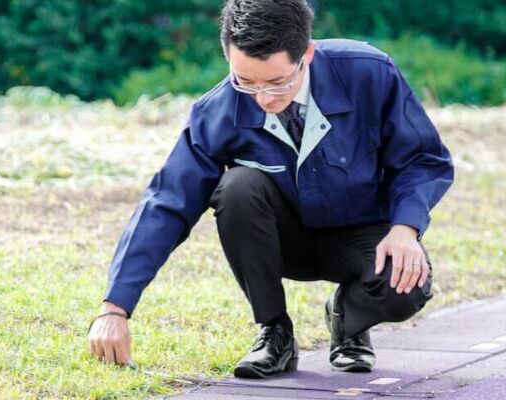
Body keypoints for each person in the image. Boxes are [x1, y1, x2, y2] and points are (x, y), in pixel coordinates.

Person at [87, 0, 454, 379]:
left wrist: (405, 228)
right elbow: (167, 202)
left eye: (277, 82)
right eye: (244, 81)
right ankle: (274, 332)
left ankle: (348, 320)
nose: (262, 98)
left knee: (408, 287)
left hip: (363, 235)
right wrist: (115, 307)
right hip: (282, 242)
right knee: (237, 186)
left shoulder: (368, 73)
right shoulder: (217, 111)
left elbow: (424, 158)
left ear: (306, 54)